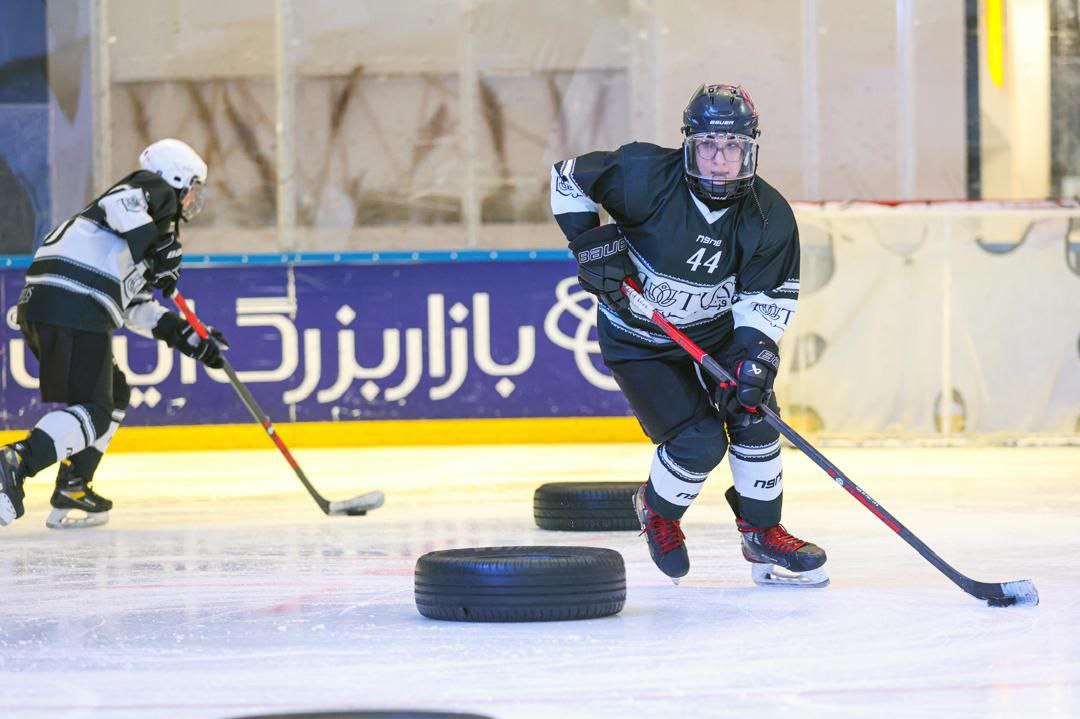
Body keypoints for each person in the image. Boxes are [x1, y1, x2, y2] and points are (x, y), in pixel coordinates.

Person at [550, 84, 827, 588]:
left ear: (751, 148)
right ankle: (656, 511)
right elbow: (567, 179)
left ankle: (762, 532)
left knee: (755, 410)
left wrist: (753, 361)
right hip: (638, 340)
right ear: (689, 144)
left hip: (716, 335)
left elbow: (765, 304)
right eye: (708, 146)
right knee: (698, 444)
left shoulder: (770, 217)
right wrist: (591, 246)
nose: (720, 160)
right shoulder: (643, 175)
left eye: (734, 148)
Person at [0, 139, 228, 530]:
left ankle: (74, 484)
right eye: (191, 186)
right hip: (74, 300)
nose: (192, 199)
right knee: (96, 409)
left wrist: (187, 336)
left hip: (53, 302)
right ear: (175, 178)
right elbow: (120, 203)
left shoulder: (140, 232)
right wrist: (156, 248)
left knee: (113, 392)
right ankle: (15, 462)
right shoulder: (153, 193)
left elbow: (136, 307)